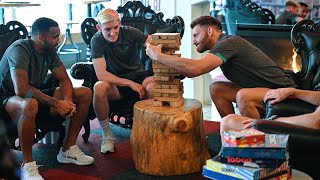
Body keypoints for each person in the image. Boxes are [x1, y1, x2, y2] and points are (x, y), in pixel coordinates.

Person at [146, 16, 296, 120]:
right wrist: (162, 74)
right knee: (217, 88)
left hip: (282, 92)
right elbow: (191, 72)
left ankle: (253, 147)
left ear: (210, 31)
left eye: (196, 35)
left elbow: (196, 68)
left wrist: (158, 56)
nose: (194, 41)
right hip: (263, 90)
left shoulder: (228, 43)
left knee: (244, 95)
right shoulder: (223, 46)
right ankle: (232, 135)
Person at [0, 17, 94, 180]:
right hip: (7, 96)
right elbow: (21, 90)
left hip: (34, 91)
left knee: (84, 93)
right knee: (30, 104)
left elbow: (64, 78)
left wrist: (68, 101)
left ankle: (68, 149)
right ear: (41, 38)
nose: (59, 40)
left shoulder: (49, 50)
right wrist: (57, 103)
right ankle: (28, 166)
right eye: (55, 37)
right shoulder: (19, 49)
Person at [91, 8, 154, 154]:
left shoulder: (130, 32)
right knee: (99, 87)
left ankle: (150, 133)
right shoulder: (97, 40)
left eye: (115, 27)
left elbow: (153, 45)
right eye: (107, 29)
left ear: (119, 23)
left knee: (153, 88)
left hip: (138, 75)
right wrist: (130, 84)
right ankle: (107, 136)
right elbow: (102, 75)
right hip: (116, 82)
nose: (112, 33)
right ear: (99, 27)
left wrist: (156, 74)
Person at [220, 88, 320, 140]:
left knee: (228, 122)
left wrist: (268, 122)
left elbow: (316, 122)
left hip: (311, 139)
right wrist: (293, 92)